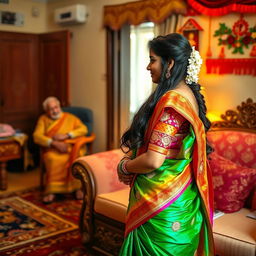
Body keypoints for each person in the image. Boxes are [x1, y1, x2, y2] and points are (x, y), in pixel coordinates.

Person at [117, 33, 215, 256]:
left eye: (152, 59)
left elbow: (153, 160)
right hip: (180, 200)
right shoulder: (187, 94)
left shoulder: (172, 103)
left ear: (169, 63)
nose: (147, 66)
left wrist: (124, 167)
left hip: (162, 210)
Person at [33, 96, 88, 203]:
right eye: (51, 109)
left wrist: (67, 135)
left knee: (76, 159)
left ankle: (77, 188)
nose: (54, 111)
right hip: (52, 150)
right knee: (54, 160)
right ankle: (52, 191)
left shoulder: (70, 118)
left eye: (56, 107)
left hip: (71, 149)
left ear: (59, 107)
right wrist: (53, 143)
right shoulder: (43, 119)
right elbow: (37, 136)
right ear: (46, 111)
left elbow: (83, 129)